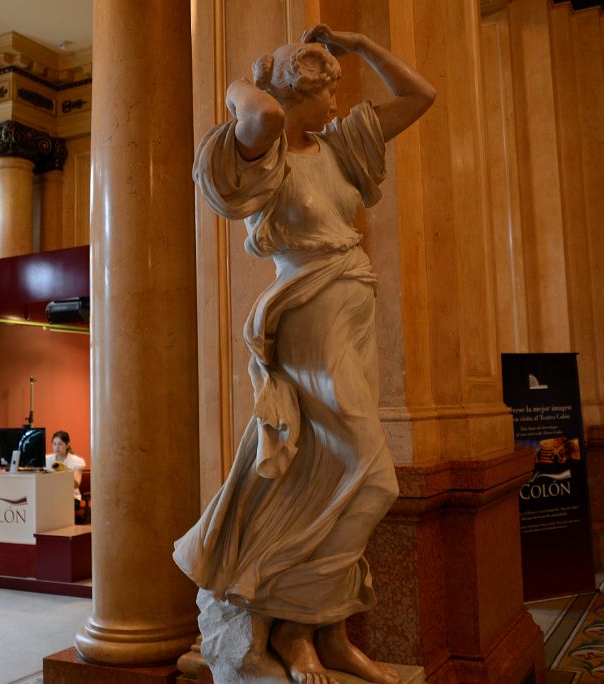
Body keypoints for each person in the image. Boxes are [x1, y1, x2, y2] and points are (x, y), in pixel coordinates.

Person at [173, 24, 434, 684]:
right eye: (326, 93)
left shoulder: (342, 147)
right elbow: (258, 110)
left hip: (350, 311)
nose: (340, 104)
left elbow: (420, 94)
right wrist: (256, 78)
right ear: (293, 98)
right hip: (309, 312)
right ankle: (290, 629)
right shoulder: (264, 152)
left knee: (318, 478)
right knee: (370, 477)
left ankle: (320, 632)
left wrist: (361, 44)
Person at [45, 430, 86, 502]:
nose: (57, 447)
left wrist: (66, 471)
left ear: (67, 445)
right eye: (54, 444)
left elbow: (76, 485)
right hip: (51, 495)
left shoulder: (77, 461)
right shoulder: (46, 459)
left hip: (71, 497)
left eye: (60, 444)